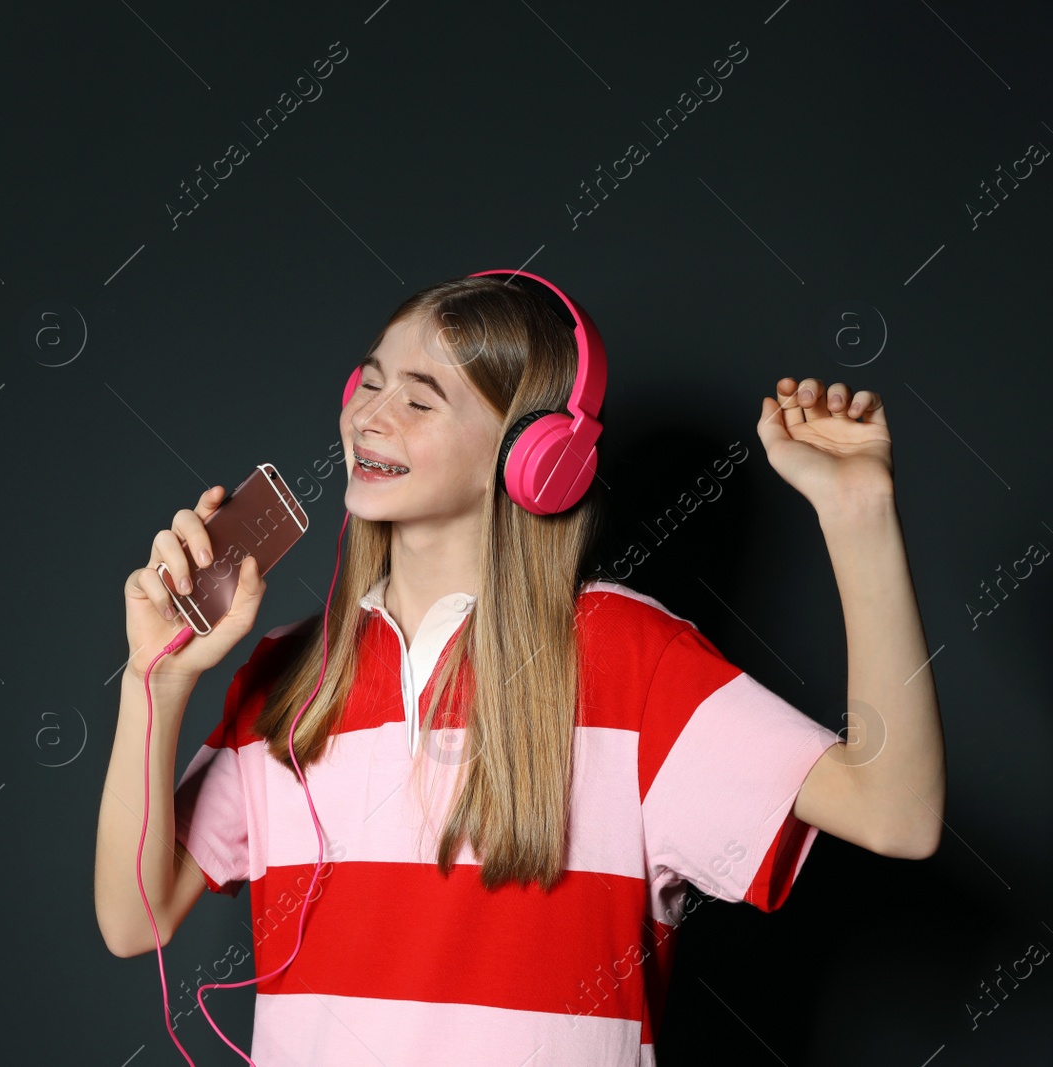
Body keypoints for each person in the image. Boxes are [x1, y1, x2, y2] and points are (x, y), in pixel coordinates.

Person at [94, 273, 945, 1066]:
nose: (370, 416)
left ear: (535, 458)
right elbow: (134, 919)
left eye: (420, 399)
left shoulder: (628, 654)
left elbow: (897, 812)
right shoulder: (291, 670)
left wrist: (858, 515)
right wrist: (156, 679)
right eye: (370, 382)